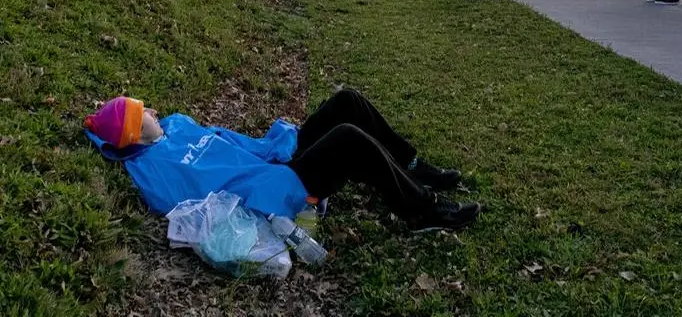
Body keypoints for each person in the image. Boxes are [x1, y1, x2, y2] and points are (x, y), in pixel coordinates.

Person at [84, 90, 482, 233]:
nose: (153, 109)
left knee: (348, 101)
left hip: (275, 157)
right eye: (143, 111)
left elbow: (232, 141)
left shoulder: (175, 126)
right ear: (135, 132)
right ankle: (421, 210)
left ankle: (412, 166)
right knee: (348, 140)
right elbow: (187, 209)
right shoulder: (153, 169)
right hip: (277, 186)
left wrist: (276, 145)